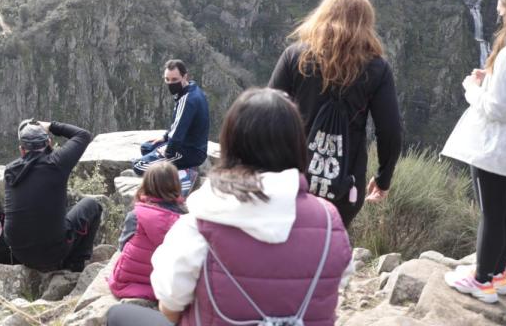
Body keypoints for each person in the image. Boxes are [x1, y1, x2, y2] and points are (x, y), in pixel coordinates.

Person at [107, 88, 352, 326]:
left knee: (118, 316)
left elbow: (169, 305)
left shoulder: (200, 222)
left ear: (231, 144)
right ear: (298, 145)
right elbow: (337, 285)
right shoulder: (330, 221)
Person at [268, 0, 402, 227]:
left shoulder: (295, 55)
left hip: (291, 177)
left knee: (287, 242)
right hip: (345, 184)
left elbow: (267, 114)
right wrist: (383, 180)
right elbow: (390, 131)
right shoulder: (377, 68)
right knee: (328, 245)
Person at [442, 0, 506, 303]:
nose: (497, 14)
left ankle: (481, 280)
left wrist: (472, 88)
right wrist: (492, 77)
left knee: (492, 213)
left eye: (500, 9)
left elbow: (498, 108)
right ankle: (500, 274)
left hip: (495, 150)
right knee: (505, 213)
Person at [3, 119, 103, 272]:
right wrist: (50, 126)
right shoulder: (57, 164)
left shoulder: (10, 171)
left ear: (22, 150)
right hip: (52, 254)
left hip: (19, 253)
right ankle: (75, 265)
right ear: (49, 143)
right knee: (92, 205)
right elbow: (83, 135)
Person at [108, 161, 187, 300]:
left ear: (146, 185)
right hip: (167, 286)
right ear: (176, 185)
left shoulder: (136, 215)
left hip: (129, 282)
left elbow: (123, 246)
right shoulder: (185, 219)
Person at [133, 60, 210, 191]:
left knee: (139, 166)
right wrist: (164, 138)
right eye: (167, 79)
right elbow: (180, 123)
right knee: (146, 148)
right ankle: (179, 167)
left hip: (188, 151)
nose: (170, 83)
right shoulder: (191, 90)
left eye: (174, 79)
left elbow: (178, 135)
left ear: (185, 76)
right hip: (187, 145)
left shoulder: (188, 100)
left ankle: (185, 174)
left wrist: (167, 151)